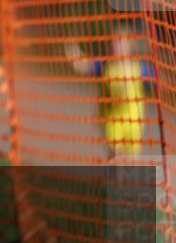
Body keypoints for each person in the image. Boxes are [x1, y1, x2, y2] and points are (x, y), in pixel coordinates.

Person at [65, 21, 157, 159]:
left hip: (134, 121)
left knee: (133, 160)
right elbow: (82, 65)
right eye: (115, 43)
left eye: (121, 43)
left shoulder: (139, 68)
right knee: (114, 157)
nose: (117, 46)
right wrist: (72, 49)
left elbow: (156, 77)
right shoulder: (106, 66)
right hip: (112, 120)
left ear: (129, 47)